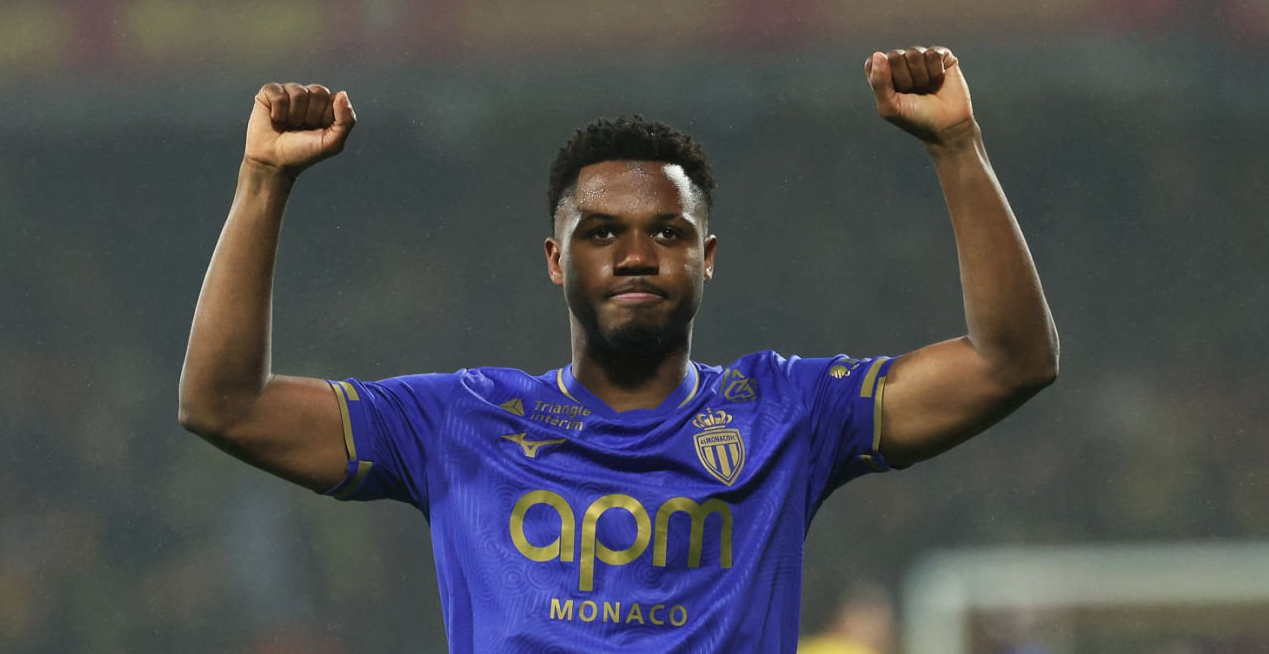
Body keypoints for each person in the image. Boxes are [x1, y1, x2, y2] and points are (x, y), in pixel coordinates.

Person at [179, 46, 1058, 653]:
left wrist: (958, 146)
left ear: (707, 258)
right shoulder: (459, 420)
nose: (636, 255)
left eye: (668, 232)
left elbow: (1011, 362)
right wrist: (262, 182)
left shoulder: (788, 412)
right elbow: (224, 405)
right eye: (601, 232)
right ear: (555, 260)